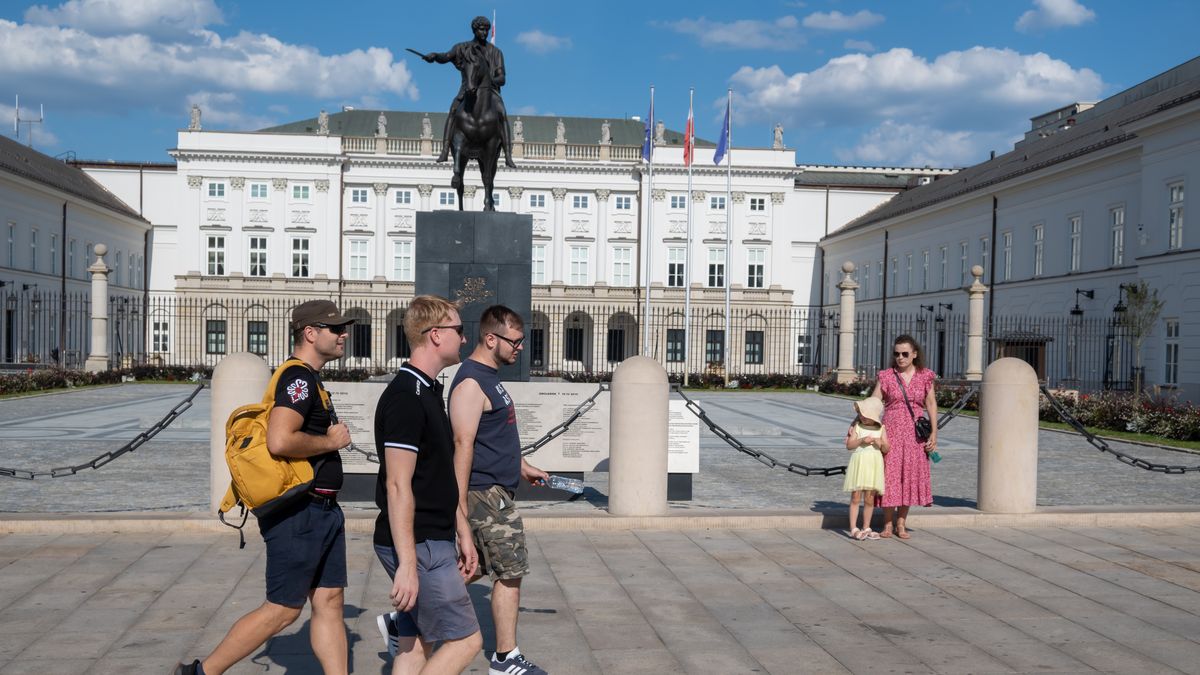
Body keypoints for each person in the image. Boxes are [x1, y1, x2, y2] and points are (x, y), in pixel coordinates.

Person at [175, 300, 354, 675]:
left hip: (322, 511)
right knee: (283, 610)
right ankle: (201, 673)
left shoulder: (309, 378)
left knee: (330, 600)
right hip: (300, 514)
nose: (344, 334)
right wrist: (330, 443)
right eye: (335, 328)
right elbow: (280, 441)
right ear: (310, 333)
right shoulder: (298, 379)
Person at [373, 295, 483, 674]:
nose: (464, 339)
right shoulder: (406, 397)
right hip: (419, 544)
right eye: (459, 330)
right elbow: (398, 486)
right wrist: (407, 564)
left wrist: (462, 529)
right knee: (467, 640)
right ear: (435, 335)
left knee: (415, 641)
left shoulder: (429, 390)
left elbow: (436, 476)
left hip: (431, 537)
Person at [448, 305, 550, 675]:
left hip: (495, 489)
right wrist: (459, 507)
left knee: (473, 566)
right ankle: (505, 657)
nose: (520, 348)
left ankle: (405, 618)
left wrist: (522, 467)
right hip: (483, 494)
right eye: (515, 341)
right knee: (510, 570)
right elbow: (463, 445)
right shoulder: (472, 382)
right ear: (491, 338)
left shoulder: (489, 378)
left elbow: (495, 437)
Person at [424, 15, 516, 168]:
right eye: (481, 29)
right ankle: (445, 150)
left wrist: (490, 80)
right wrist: (434, 56)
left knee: (502, 112)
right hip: (466, 89)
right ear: (474, 30)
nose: (484, 33)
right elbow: (446, 57)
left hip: (490, 92)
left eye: (486, 30)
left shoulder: (496, 52)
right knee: (453, 110)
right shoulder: (462, 48)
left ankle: (508, 154)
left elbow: (502, 78)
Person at [870, 334, 938, 539]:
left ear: (914, 354)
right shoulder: (887, 376)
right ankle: (888, 524)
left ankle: (901, 523)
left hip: (915, 435)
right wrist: (864, 422)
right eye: (897, 353)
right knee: (890, 477)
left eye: (905, 354)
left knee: (908, 477)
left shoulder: (925, 376)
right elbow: (875, 400)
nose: (900, 357)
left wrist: (934, 432)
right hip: (890, 432)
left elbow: (931, 403)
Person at [843, 397, 888, 541]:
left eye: (864, 414)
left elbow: (887, 448)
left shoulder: (881, 428)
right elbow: (849, 445)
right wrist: (861, 440)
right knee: (856, 496)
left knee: (870, 498)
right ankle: (853, 527)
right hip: (860, 463)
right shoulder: (858, 427)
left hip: (874, 464)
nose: (861, 416)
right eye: (860, 414)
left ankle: (866, 526)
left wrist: (879, 442)